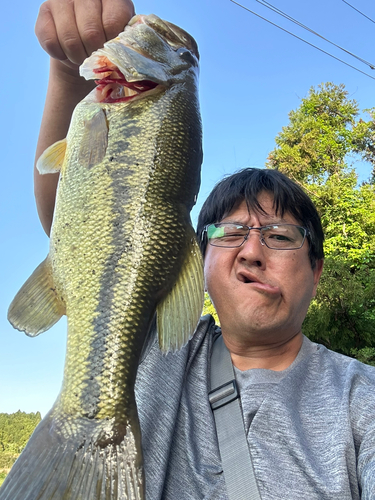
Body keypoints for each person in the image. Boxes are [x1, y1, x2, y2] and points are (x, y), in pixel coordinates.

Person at [33, 1, 375, 499]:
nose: (252, 252)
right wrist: (67, 70)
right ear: (191, 261)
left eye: (279, 236)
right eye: (230, 233)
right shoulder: (157, 345)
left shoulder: (361, 399)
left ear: (317, 271)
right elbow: (74, 227)